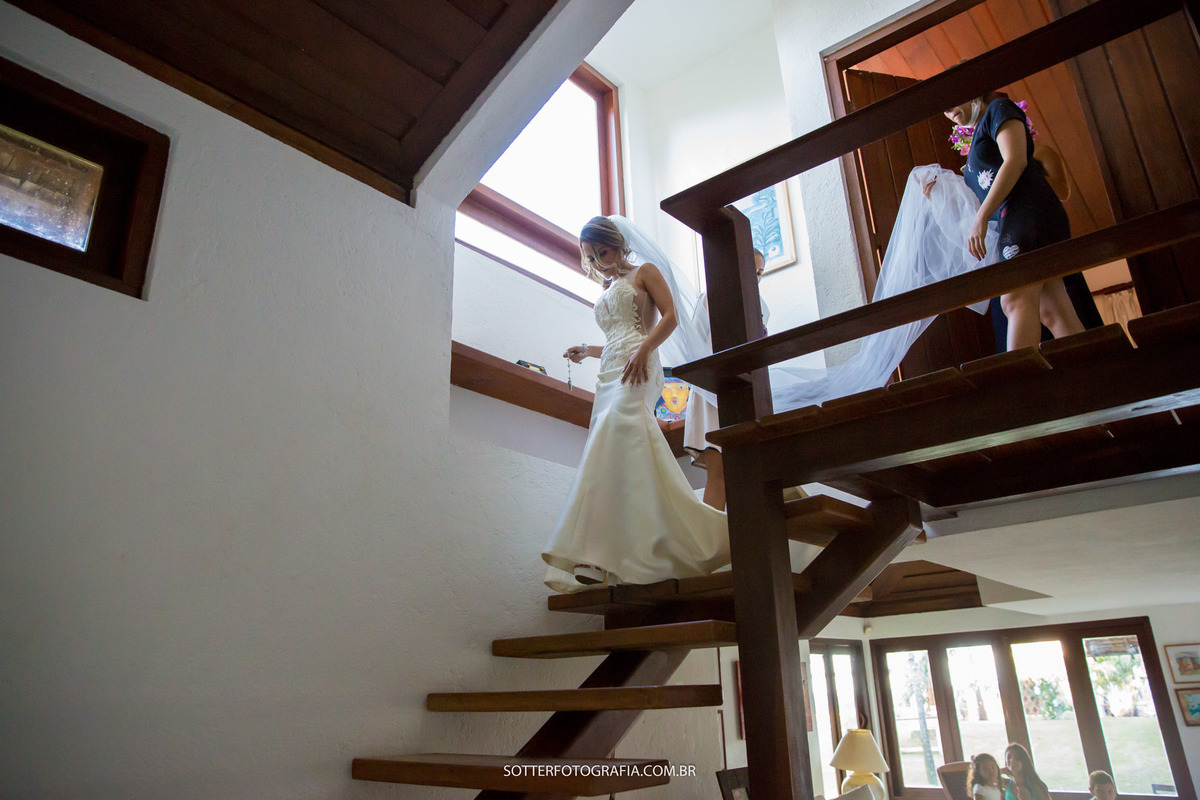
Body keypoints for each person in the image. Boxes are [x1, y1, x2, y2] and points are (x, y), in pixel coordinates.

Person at [541, 216, 729, 593]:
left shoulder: (645, 271)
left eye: (602, 252)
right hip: (610, 369)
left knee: (610, 438)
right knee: (612, 451)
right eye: (591, 258)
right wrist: (588, 350)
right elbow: (613, 337)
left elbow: (671, 316)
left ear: (618, 243)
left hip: (640, 365)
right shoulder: (609, 285)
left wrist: (646, 347)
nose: (598, 262)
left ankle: (595, 555)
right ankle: (609, 554)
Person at [941, 93, 1102, 350]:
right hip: (1017, 220)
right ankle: (1103, 376)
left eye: (952, 100)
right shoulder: (978, 141)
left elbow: (1015, 159)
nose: (949, 110)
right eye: (943, 110)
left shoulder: (998, 109)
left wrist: (981, 219)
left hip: (1026, 214)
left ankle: (1018, 384)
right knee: (1054, 311)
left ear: (973, 92)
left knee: (1014, 299)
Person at [681, 249, 768, 510]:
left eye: (760, 273)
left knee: (745, 473)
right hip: (713, 389)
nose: (754, 277)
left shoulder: (761, 306)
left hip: (745, 388)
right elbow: (694, 344)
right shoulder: (711, 297)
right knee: (718, 474)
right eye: (750, 269)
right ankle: (715, 545)